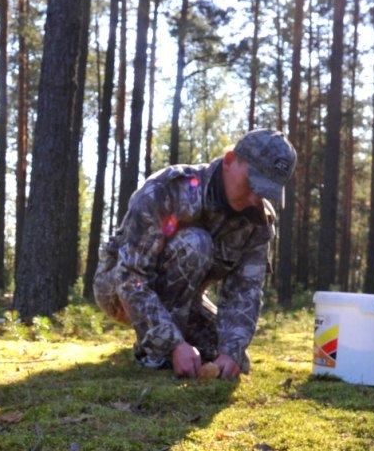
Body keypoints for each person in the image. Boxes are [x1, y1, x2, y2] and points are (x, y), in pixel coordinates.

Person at [94, 130, 297, 381]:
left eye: (266, 191)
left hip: (186, 299)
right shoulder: (168, 189)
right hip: (117, 289)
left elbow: (245, 291)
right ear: (230, 160)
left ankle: (172, 341)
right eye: (252, 183)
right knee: (195, 244)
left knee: (231, 359)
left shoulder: (258, 221)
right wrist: (173, 345)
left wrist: (230, 353)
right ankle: (154, 352)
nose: (256, 197)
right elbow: (131, 277)